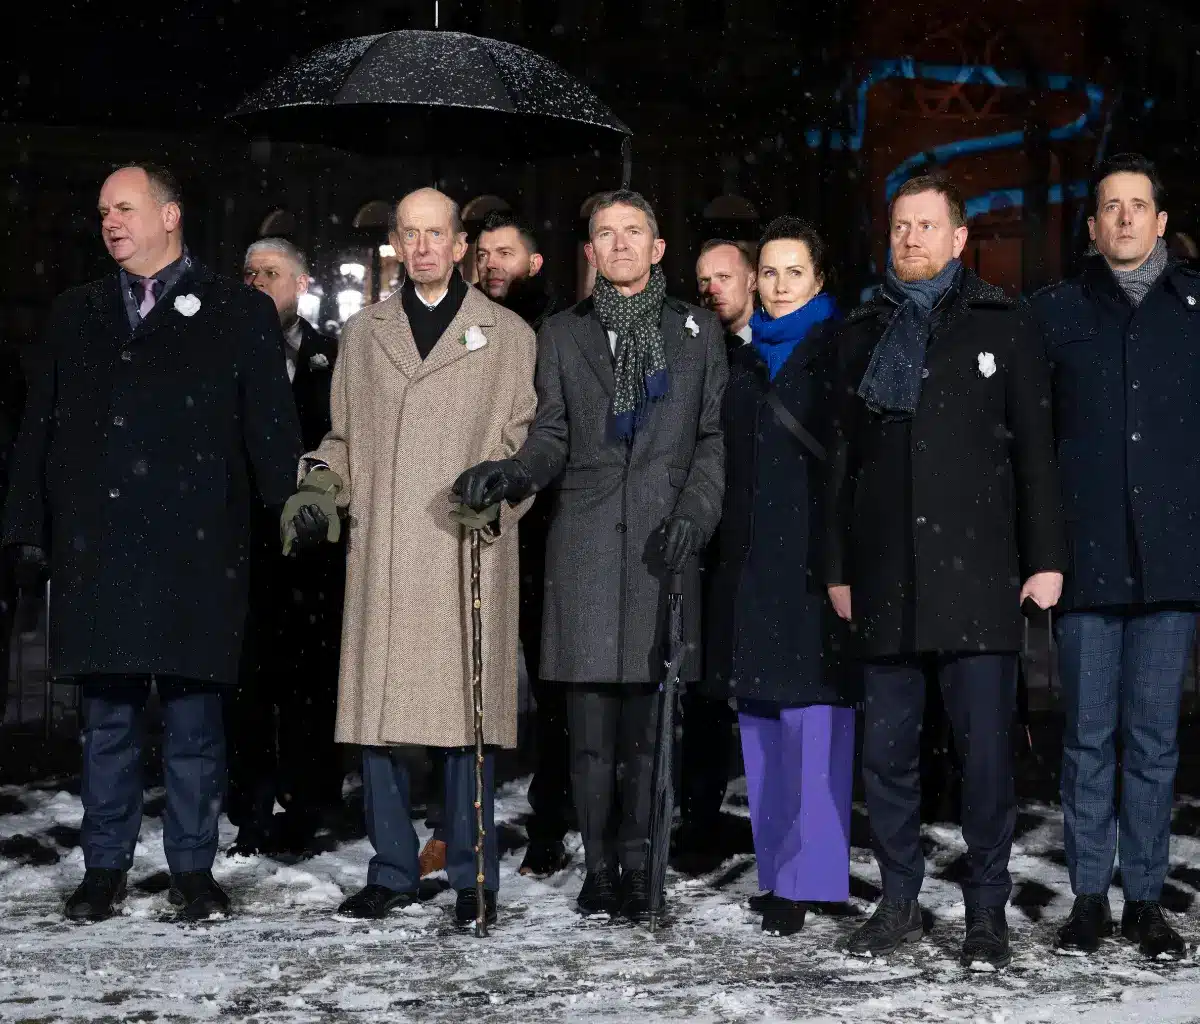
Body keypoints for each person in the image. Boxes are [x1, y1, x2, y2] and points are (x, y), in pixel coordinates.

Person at [1, 163, 302, 922]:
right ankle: (104, 868)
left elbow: (271, 432)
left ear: (170, 216)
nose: (111, 222)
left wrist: (287, 521)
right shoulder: (77, 311)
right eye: (103, 210)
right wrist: (27, 524)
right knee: (107, 719)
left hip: (200, 551)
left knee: (196, 724)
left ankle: (192, 872)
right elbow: (40, 424)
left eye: (125, 208)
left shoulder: (238, 311)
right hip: (100, 547)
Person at [455, 189, 727, 923]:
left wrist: (695, 517)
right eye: (605, 234)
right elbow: (550, 435)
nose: (620, 245)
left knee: (648, 734)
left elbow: (710, 443)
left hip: (661, 549)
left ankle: (642, 864)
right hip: (582, 548)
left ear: (658, 246)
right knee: (590, 738)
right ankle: (599, 867)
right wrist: (512, 473)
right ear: (591, 252)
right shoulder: (564, 334)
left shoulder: (698, 334)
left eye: (634, 231)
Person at [825, 174, 1065, 968]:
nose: (912, 239)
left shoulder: (1005, 322)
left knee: (986, 758)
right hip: (887, 575)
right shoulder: (861, 331)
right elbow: (841, 467)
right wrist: (837, 566)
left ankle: (986, 912)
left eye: (927, 226)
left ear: (959, 239)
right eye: (901, 226)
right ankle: (899, 903)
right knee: (886, 756)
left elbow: (1035, 452)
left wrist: (1047, 560)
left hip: (980, 574)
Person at [282, 188, 537, 927]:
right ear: (397, 242)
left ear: (461, 246)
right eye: (411, 234)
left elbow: (524, 443)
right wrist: (324, 482)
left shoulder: (509, 333)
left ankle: (471, 874)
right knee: (382, 720)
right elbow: (343, 439)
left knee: (469, 724)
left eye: (438, 234)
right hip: (389, 547)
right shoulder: (364, 335)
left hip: (466, 546)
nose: (424, 246)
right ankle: (392, 868)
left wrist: (502, 490)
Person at [1031, 153, 1200, 960]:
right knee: (1088, 737)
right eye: (1112, 207)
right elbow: (1028, 442)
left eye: (1140, 205)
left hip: (1172, 561)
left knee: (1156, 740)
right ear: (1093, 227)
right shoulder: (1056, 313)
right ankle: (1091, 898)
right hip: (1087, 560)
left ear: (1162, 222)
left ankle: (1145, 899)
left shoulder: (1197, 309)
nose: (1127, 219)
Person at [706, 216, 855, 935]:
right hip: (751, 562)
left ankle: (811, 875)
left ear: (819, 280)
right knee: (762, 720)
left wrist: (843, 561)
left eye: (794, 271)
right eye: (768, 272)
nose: (779, 285)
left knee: (815, 720)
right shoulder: (744, 360)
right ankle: (779, 872)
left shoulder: (841, 351)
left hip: (814, 561)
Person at [224, 238, 344, 857]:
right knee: (246, 685)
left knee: (311, 683)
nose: (258, 282)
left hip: (313, 548)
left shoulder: (333, 355)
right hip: (241, 545)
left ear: (301, 284)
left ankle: (310, 802)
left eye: (271, 273)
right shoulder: (220, 349)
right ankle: (248, 803)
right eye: (249, 273)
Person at [475, 210, 573, 877]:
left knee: (550, 683)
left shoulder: (555, 332)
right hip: (472, 520)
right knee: (467, 679)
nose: (490, 265)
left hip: (542, 527)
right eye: (481, 254)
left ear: (533, 263)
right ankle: (462, 814)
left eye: (504, 252)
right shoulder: (463, 331)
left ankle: (550, 818)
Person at [671, 237, 758, 875]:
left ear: (750, 280)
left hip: (757, 534)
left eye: (723, 277)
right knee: (700, 688)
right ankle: (699, 815)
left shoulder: (768, 351)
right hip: (705, 538)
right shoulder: (690, 348)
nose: (711, 289)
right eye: (702, 279)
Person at [695, 238, 757, 347]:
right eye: (704, 281)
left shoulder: (782, 347)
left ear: (752, 282)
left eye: (724, 277)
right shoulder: (694, 346)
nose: (712, 289)